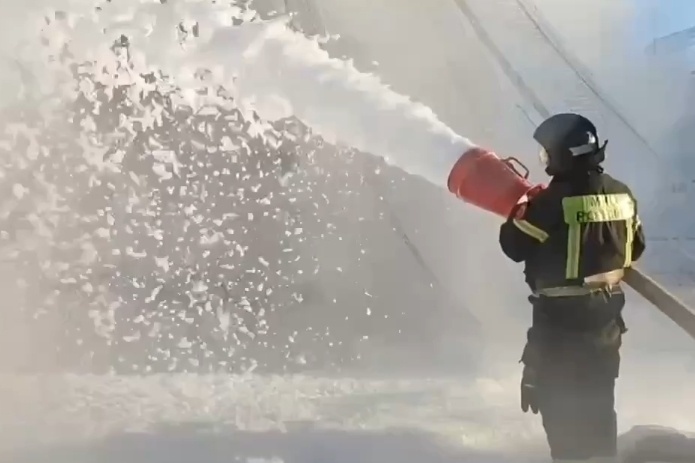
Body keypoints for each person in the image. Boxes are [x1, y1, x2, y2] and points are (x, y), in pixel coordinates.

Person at [498, 113, 646, 463]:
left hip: (559, 331)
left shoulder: (551, 202)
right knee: (599, 413)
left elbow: (513, 246)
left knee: (563, 422)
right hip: (606, 327)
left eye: (547, 153)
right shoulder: (622, 194)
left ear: (563, 155)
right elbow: (636, 247)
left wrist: (520, 208)